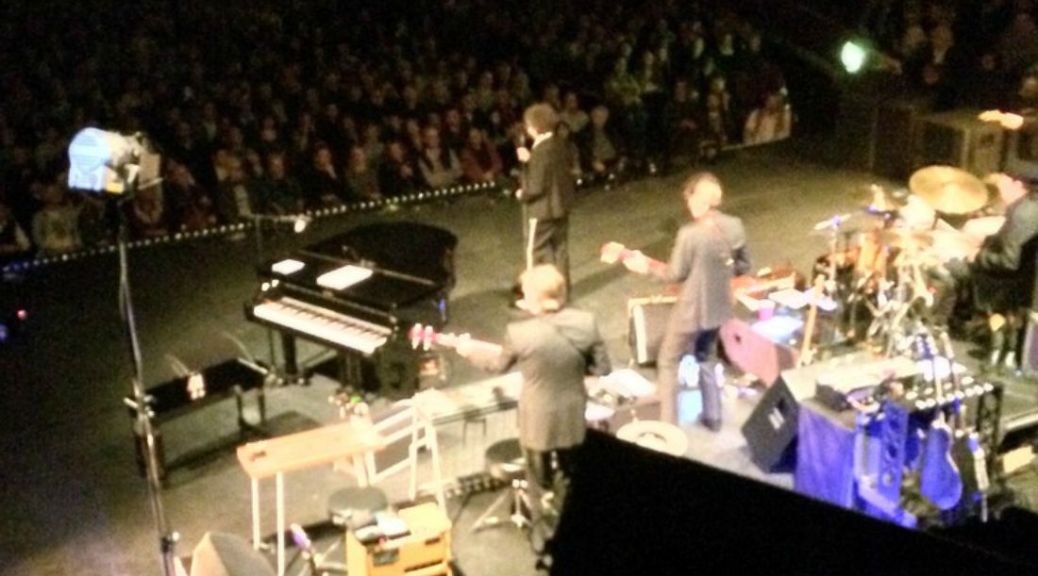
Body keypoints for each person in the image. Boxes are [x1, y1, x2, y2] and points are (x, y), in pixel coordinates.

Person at [456, 264, 611, 563]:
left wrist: (468, 351)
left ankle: (543, 543)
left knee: (538, 484)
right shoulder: (586, 323)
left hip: (536, 420)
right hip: (572, 415)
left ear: (535, 299)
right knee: (570, 476)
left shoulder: (520, 333)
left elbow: (497, 366)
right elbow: (602, 368)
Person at [621, 172, 749, 429]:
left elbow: (674, 274)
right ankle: (713, 417)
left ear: (699, 199)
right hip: (719, 307)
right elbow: (744, 266)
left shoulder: (689, 234)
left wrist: (645, 267)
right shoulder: (735, 225)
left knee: (668, 360)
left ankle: (668, 425)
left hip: (691, 309)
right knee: (707, 356)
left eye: (689, 199)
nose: (688, 205)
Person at [936, 172, 1038, 370]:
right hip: (1019, 282)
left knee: (946, 269)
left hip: (1003, 284)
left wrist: (977, 255)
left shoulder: (1021, 214)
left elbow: (1008, 262)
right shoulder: (1028, 207)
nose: (1000, 189)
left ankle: (939, 327)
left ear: (1017, 184)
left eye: (1004, 184)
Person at [516, 103, 575, 288]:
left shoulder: (540, 151)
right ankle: (562, 289)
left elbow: (536, 186)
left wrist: (521, 194)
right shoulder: (559, 143)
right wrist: (531, 160)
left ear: (534, 127)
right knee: (560, 250)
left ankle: (534, 291)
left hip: (542, 211)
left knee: (534, 251)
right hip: (561, 206)